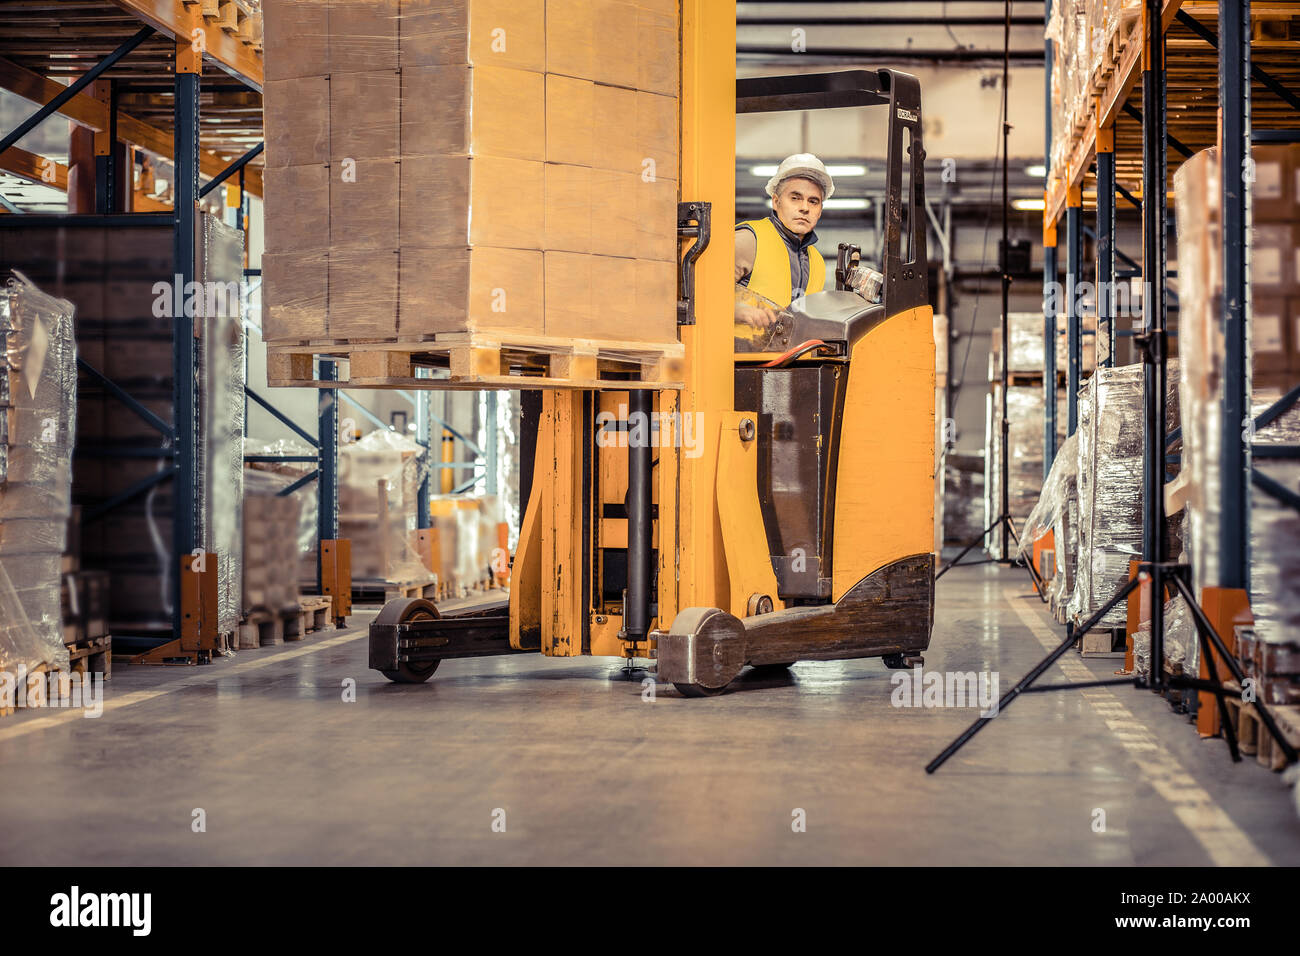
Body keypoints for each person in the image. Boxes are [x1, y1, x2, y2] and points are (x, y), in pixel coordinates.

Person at [735, 153, 833, 329]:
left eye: (813, 201)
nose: (804, 208)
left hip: (792, 356)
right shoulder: (748, 240)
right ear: (776, 201)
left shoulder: (817, 261)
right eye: (795, 198)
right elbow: (701, 295)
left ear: (820, 210)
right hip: (736, 355)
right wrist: (739, 311)